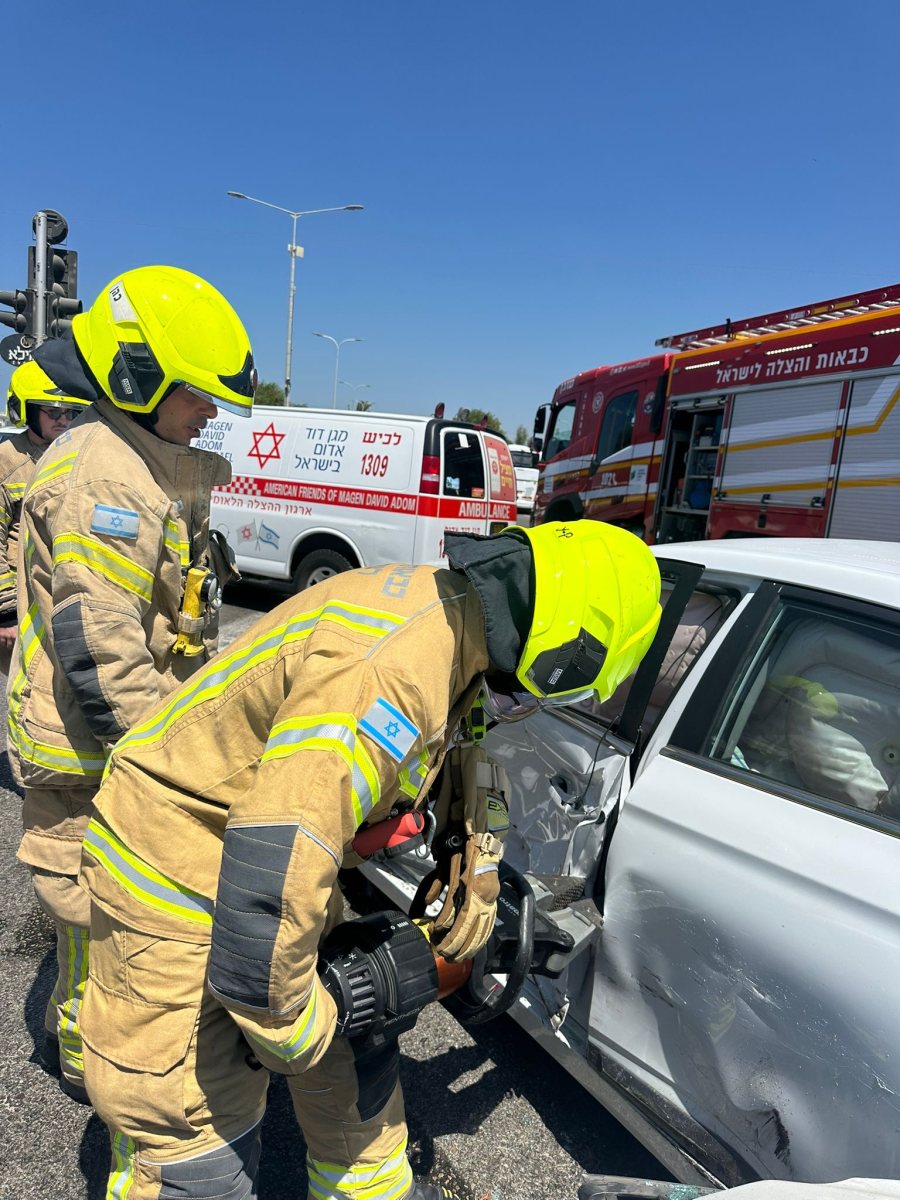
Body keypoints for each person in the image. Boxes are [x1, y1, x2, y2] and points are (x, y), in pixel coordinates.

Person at [78, 519, 662, 1200]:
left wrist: (474, 852)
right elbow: (278, 848)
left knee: (356, 1049)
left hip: (270, 862)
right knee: (197, 1138)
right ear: (573, 649)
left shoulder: (456, 623)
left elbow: (457, 748)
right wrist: (298, 1029)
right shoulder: (393, 668)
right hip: (173, 868)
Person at [8, 265, 256, 1102]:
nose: (210, 412)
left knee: (110, 915)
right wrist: (172, 768)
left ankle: (97, 1050)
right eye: (197, 394)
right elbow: (102, 650)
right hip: (97, 750)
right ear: (137, 377)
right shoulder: (107, 479)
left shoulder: (135, 464)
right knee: (100, 916)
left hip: (111, 741)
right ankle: (96, 1071)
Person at [0, 361, 91, 673]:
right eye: (53, 412)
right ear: (27, 411)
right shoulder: (7, 462)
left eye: (70, 412)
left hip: (60, 596)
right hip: (20, 603)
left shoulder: (73, 458)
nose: (63, 420)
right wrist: (6, 614)